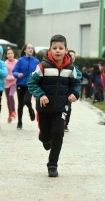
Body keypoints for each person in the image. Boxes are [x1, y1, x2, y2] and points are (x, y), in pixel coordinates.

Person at [28, 34, 81, 177]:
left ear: (66, 50)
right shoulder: (42, 66)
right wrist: (40, 94)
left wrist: (74, 94)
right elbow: (31, 83)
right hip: (44, 107)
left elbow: (76, 83)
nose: (58, 51)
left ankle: (52, 165)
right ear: (50, 49)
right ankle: (45, 139)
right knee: (45, 137)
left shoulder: (71, 68)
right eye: (55, 48)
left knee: (58, 133)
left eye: (61, 48)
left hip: (62, 106)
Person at [12, 43, 39, 129]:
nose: (31, 49)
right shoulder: (20, 60)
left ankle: (31, 110)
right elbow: (14, 71)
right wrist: (17, 74)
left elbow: (39, 73)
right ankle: (19, 122)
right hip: (20, 84)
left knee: (27, 100)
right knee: (20, 104)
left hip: (30, 84)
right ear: (25, 50)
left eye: (32, 48)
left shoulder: (36, 61)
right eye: (29, 48)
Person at [4, 49, 17, 123]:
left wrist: (15, 76)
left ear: (13, 54)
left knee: (11, 95)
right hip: (7, 83)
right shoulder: (5, 63)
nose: (10, 55)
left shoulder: (17, 62)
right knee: (8, 99)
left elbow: (19, 71)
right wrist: (11, 77)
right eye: (8, 53)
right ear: (6, 55)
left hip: (14, 83)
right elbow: (5, 74)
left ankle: (13, 111)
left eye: (11, 53)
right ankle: (10, 114)